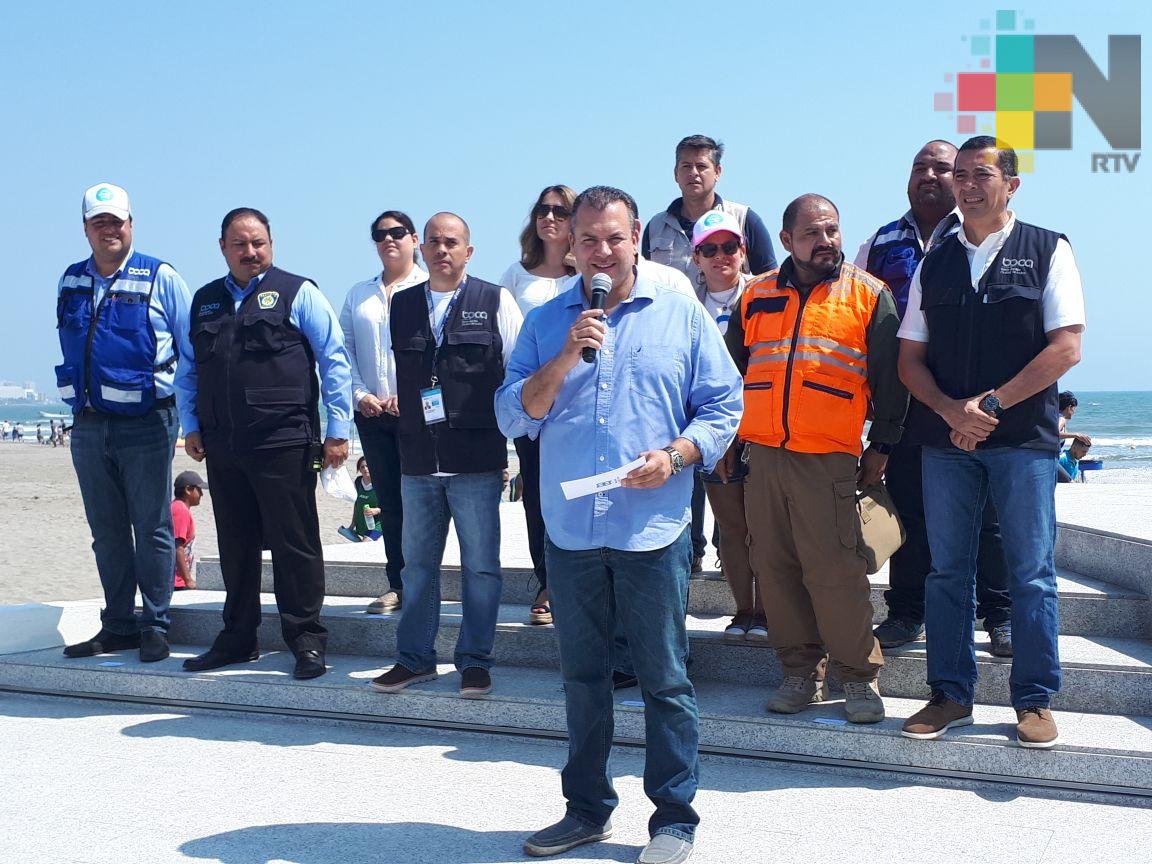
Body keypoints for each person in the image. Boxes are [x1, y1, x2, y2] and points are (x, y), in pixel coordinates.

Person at [497, 185, 743, 864]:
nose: (601, 252)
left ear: (636, 237)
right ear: (568, 245)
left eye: (613, 238)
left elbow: (723, 405)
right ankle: (585, 810)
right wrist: (567, 354)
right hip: (572, 530)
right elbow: (514, 414)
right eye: (587, 240)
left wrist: (676, 455)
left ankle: (673, 819)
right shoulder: (548, 323)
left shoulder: (680, 312)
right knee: (582, 679)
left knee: (665, 678)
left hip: (652, 527)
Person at [897, 136, 1085, 748]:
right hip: (945, 439)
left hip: (1023, 441)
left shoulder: (1048, 249)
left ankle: (1034, 700)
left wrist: (993, 405)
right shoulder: (936, 261)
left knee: (1031, 572)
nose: (968, 184)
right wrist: (953, 409)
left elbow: (1065, 348)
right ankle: (950, 695)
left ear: (1011, 184)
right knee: (947, 571)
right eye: (960, 175)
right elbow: (910, 360)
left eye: (981, 174)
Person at [726, 194, 908, 724]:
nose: (825, 240)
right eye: (812, 232)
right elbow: (731, 374)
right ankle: (800, 672)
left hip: (828, 458)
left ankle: (858, 677)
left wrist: (882, 446)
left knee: (835, 572)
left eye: (831, 230)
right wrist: (726, 442)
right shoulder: (755, 294)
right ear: (787, 240)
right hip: (762, 456)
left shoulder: (869, 296)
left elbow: (892, 384)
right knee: (776, 569)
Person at [176, 207, 352, 681]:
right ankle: (238, 639)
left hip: (283, 440)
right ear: (223, 249)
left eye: (258, 243)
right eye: (240, 244)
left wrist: (339, 431)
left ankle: (307, 641)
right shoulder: (206, 302)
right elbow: (188, 370)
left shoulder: (299, 293)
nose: (250, 252)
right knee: (236, 545)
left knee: (295, 545)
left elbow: (334, 360)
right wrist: (190, 423)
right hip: (224, 445)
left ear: (271, 244)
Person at [856, 140, 1014, 656]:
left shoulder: (986, 236)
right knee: (908, 511)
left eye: (942, 168)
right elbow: (859, 322)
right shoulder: (879, 243)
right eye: (919, 166)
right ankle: (906, 612)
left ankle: (1000, 614)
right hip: (904, 401)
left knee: (987, 513)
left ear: (963, 180)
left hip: (974, 400)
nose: (929, 174)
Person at [370, 212, 522, 698]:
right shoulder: (402, 304)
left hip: (475, 460)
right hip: (417, 460)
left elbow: (518, 374)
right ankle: (414, 658)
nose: (441, 250)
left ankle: (475, 661)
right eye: (433, 241)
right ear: (421, 248)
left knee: (480, 567)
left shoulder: (495, 301)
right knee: (416, 568)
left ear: (468, 251)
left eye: (451, 242)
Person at [57, 183, 191, 664]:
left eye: (116, 220)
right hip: (89, 425)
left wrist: (193, 421)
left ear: (131, 224)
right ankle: (117, 625)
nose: (108, 229)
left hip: (148, 422)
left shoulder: (161, 277)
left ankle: (154, 625)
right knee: (106, 531)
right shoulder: (71, 281)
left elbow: (190, 352)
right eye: (99, 222)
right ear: (86, 229)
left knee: (152, 526)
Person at [643, 135, 777, 576]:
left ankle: (730, 552)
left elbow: (772, 278)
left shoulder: (744, 218)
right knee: (687, 460)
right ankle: (692, 547)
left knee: (737, 482)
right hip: (677, 365)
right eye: (685, 165)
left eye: (702, 165)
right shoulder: (657, 226)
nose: (694, 173)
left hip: (745, 368)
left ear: (717, 171)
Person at [340, 210, 427, 614]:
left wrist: (409, 394)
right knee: (389, 501)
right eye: (380, 234)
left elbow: (438, 352)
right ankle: (398, 583)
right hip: (372, 415)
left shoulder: (430, 286)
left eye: (396, 232)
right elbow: (344, 352)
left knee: (425, 501)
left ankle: (426, 580)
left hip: (422, 414)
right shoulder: (359, 293)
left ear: (413, 238)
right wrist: (359, 394)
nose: (388, 240)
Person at [500, 185, 579, 625]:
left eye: (561, 210)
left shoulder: (590, 272)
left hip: (580, 401)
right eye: (543, 210)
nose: (550, 217)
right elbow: (506, 343)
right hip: (533, 400)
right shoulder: (517, 274)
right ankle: (546, 580)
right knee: (536, 495)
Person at [689, 210, 765, 642]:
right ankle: (744, 611)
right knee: (732, 530)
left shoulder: (766, 294)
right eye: (710, 249)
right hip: (714, 436)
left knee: (766, 530)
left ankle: (772, 612)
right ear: (696, 257)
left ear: (743, 250)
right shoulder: (685, 306)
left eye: (730, 247)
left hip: (765, 432)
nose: (721, 257)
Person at [172, 470, 207, 591]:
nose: (202, 494)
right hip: (175, 581)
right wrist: (188, 580)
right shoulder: (180, 509)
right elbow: (177, 546)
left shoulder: (180, 508)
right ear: (188, 490)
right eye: (199, 490)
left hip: (178, 579)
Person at [347, 456, 383, 540]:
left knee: (366, 542)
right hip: (361, 523)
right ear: (359, 469)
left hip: (378, 525)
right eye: (362, 467)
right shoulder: (358, 481)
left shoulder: (381, 482)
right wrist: (352, 524)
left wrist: (376, 510)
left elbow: (390, 506)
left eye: (368, 466)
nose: (365, 469)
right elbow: (356, 504)